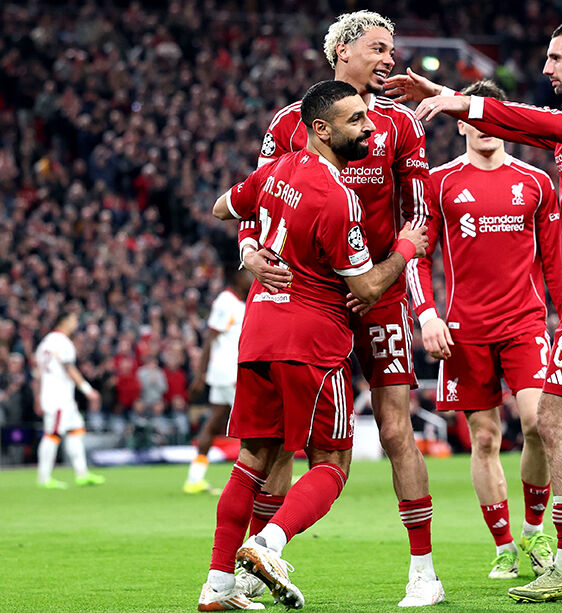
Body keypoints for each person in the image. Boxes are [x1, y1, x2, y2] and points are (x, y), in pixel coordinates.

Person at [388, 13, 562, 602]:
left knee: (554, 422)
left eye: (555, 57)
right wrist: (450, 96)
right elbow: (536, 121)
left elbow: (532, 122)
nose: (545, 68)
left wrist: (460, 102)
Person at [196, 80, 428, 611]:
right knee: (332, 462)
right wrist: (405, 248)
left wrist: (251, 252)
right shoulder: (337, 198)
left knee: (252, 459)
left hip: (259, 332)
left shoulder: (273, 172)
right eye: (355, 121)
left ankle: (217, 587)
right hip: (311, 343)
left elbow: (221, 207)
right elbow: (365, 288)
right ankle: (268, 545)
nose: (369, 128)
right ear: (321, 129)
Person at [237, 12, 443, 606]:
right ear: (343, 50)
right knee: (281, 441)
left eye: (392, 50)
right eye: (379, 48)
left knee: (396, 428)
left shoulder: (402, 123)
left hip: (379, 296)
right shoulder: (290, 122)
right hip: (309, 297)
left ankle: (423, 573)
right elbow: (255, 200)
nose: (389, 59)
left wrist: (400, 288)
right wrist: (248, 251)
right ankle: (257, 565)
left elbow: (419, 215)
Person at [412, 79, 562, 581]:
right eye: (471, 118)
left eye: (490, 116)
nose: (482, 126)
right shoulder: (439, 184)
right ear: (460, 125)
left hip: (524, 323)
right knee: (484, 438)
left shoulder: (536, 182)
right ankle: (503, 547)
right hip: (464, 330)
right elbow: (418, 255)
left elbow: (555, 259)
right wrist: (427, 315)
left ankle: (534, 529)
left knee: (538, 423)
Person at [184, 267, 253, 494]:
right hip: (230, 374)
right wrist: (200, 375)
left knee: (214, 422)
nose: (252, 278)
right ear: (237, 276)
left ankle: (194, 478)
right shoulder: (225, 301)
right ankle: (263, 478)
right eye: (248, 274)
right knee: (254, 424)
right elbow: (209, 339)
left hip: (225, 374)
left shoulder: (239, 302)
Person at [33, 309, 105, 489]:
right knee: (52, 434)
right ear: (63, 321)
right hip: (58, 397)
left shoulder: (46, 342)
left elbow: (39, 371)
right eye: (73, 319)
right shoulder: (62, 342)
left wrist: (38, 395)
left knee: (75, 431)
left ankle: (82, 474)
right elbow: (69, 368)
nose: (76, 323)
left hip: (60, 396)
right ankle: (44, 478)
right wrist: (88, 390)